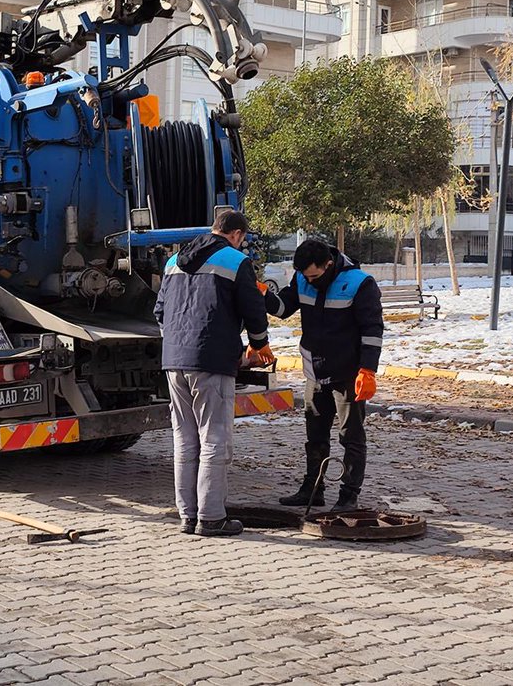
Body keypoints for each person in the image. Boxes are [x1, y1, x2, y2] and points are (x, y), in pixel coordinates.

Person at [154, 209, 274, 537]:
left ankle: (187, 516)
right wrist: (258, 345)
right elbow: (254, 310)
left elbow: (160, 311)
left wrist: (179, 343)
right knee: (214, 438)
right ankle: (210, 517)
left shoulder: (173, 261)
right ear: (236, 235)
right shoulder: (236, 261)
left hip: (174, 360)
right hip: (212, 361)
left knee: (184, 438)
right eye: (242, 239)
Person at [266, 238, 384, 513]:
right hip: (315, 373)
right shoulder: (302, 277)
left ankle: (348, 495)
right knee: (315, 435)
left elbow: (372, 330)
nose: (310, 280)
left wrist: (368, 370)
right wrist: (262, 294)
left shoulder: (359, 284)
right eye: (305, 275)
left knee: (350, 436)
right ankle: (312, 490)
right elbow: (284, 308)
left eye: (314, 275)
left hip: (348, 373)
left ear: (329, 264)